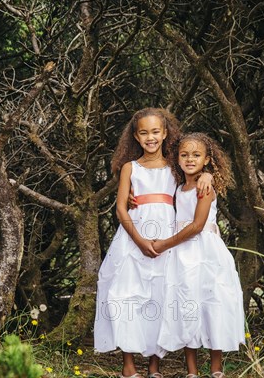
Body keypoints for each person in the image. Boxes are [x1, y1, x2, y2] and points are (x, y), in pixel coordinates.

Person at [94, 109, 213, 378]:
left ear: (166, 133)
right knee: (127, 295)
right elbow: (121, 210)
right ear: (136, 136)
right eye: (144, 133)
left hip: (166, 239)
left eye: (156, 132)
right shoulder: (130, 168)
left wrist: (209, 176)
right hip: (133, 236)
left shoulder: (175, 166)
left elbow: (196, 176)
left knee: (160, 297)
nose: (151, 138)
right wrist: (138, 240)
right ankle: (128, 365)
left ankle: (154, 365)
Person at [153, 133, 245, 378]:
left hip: (205, 253)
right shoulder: (177, 187)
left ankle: (216, 368)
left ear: (206, 160)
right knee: (187, 305)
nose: (190, 159)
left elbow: (196, 226)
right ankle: (191, 371)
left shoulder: (206, 188)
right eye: (184, 155)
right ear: (177, 158)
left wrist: (163, 244)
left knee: (213, 303)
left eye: (196, 155)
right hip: (182, 255)